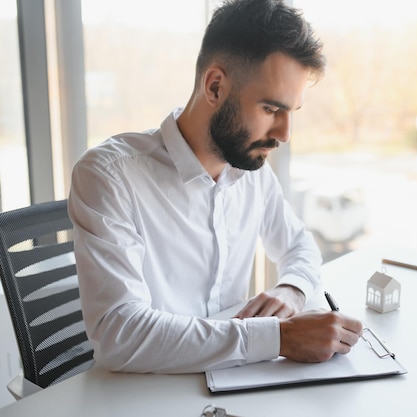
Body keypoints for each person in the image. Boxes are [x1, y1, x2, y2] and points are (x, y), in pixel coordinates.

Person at [68, 0, 363, 374]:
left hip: (234, 380)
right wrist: (279, 338)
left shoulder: (251, 170)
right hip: (144, 391)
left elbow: (299, 245)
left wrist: (293, 290)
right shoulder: (110, 176)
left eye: (291, 113)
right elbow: (119, 333)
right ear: (215, 86)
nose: (285, 134)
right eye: (271, 110)